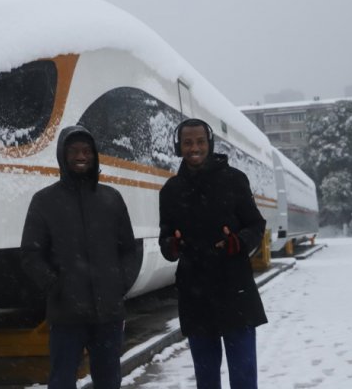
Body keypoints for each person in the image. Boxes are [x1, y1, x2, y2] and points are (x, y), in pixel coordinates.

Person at [20, 125, 137, 389]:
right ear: (62, 155)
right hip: (66, 316)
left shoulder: (112, 198)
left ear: (95, 155)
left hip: (108, 315)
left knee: (109, 381)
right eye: (73, 151)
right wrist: (54, 285)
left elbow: (129, 249)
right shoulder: (44, 201)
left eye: (86, 151)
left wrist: (120, 282)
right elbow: (30, 253)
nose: (81, 156)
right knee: (61, 381)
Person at [159, 118, 268, 389]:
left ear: (209, 144)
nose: (194, 148)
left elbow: (256, 224)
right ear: (178, 146)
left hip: (235, 290)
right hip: (195, 294)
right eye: (187, 142)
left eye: (199, 142)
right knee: (206, 380)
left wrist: (238, 242)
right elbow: (165, 237)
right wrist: (171, 246)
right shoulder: (171, 191)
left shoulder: (234, 180)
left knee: (243, 376)